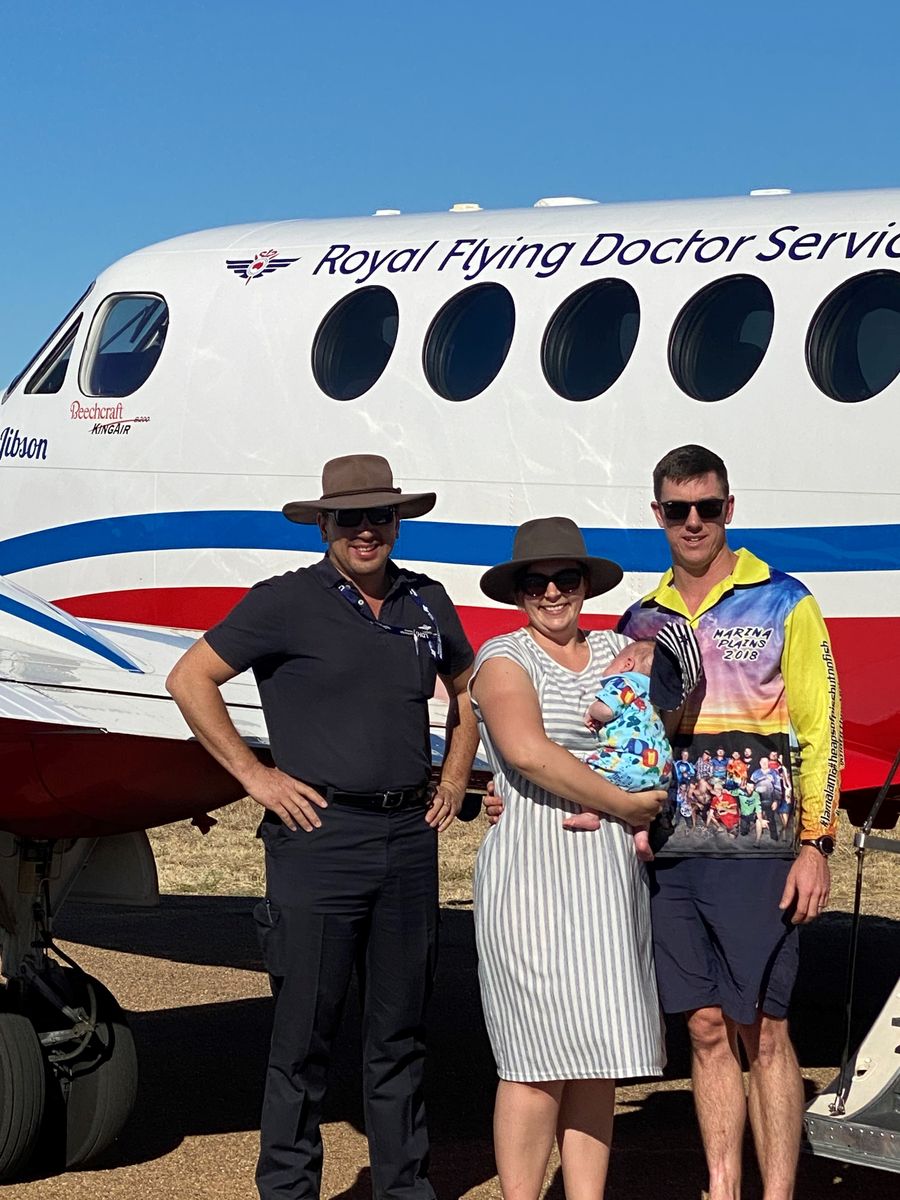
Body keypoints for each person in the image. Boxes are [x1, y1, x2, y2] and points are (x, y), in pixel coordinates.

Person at [165, 454, 479, 1200]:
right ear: (326, 525)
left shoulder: (426, 601)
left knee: (400, 1035)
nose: (366, 531)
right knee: (304, 1037)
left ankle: (405, 1189)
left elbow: (470, 690)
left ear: (398, 522)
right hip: (320, 839)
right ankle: (288, 1189)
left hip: (406, 838)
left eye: (379, 516)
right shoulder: (285, 602)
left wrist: (458, 773)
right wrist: (255, 776)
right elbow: (189, 678)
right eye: (350, 518)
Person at [617, 444, 842, 1200]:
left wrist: (815, 844)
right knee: (706, 1029)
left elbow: (822, 729)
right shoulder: (640, 619)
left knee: (766, 1033)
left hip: (760, 854)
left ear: (729, 510)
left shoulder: (783, 600)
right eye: (677, 509)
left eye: (707, 508)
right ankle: (722, 1188)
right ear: (657, 515)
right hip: (672, 853)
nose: (692, 522)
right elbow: (625, 741)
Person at [470, 517, 673, 1200]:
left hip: (606, 877)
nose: (552, 592)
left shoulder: (623, 645)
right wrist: (627, 803)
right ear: (518, 592)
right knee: (531, 1058)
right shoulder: (505, 657)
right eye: (536, 582)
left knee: (595, 1057)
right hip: (532, 872)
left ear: (586, 585)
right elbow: (526, 751)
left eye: (566, 579)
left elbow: (679, 703)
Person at [563, 637, 673, 863]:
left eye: (614, 661)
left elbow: (605, 710)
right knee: (641, 796)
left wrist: (592, 710)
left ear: (627, 664)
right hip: (661, 770)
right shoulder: (651, 696)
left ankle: (590, 813)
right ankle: (642, 837)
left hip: (630, 760)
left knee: (586, 770)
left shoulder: (623, 683)